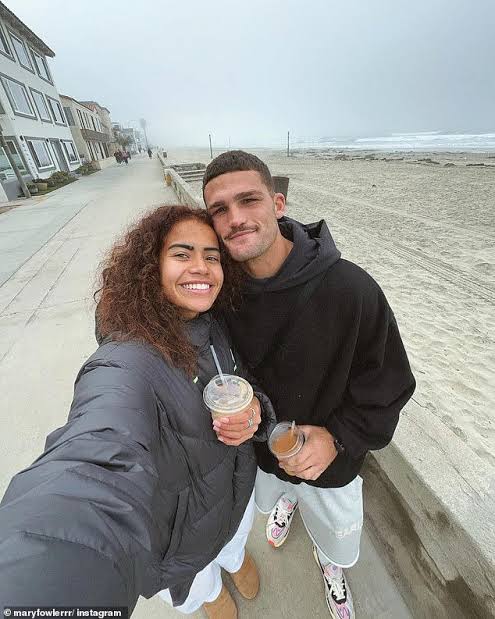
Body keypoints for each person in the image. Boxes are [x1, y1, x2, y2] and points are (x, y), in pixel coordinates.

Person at [0, 205, 276, 618]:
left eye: (212, 256)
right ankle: (213, 594)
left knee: (235, 540)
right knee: (199, 583)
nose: (201, 267)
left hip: (236, 494)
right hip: (182, 542)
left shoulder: (214, 319)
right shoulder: (127, 360)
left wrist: (256, 411)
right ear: (150, 266)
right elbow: (96, 456)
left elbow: (244, 381)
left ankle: (235, 560)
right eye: (181, 254)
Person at [203, 151, 416, 619]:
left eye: (248, 200)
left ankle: (329, 562)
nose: (235, 219)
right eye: (219, 209)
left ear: (278, 203)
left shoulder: (352, 290)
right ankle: (287, 502)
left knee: (335, 535)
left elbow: (390, 383)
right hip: (261, 455)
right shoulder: (218, 293)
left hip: (331, 464)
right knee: (275, 494)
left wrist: (338, 438)